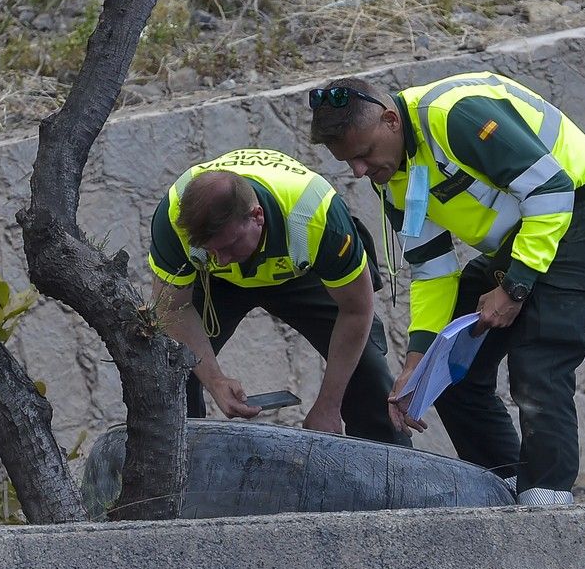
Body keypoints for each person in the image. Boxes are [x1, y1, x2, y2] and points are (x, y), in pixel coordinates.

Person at [308, 72, 585, 504]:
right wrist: (417, 363)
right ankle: (505, 487)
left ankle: (548, 501)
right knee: (446, 370)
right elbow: (432, 270)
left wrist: (514, 287)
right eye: (349, 163)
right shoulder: (394, 174)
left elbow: (552, 191)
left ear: (389, 120)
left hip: (581, 210)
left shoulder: (453, 116)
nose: (360, 171)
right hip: (523, 239)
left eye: (363, 154)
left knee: (539, 358)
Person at [147, 148, 409, 446]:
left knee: (367, 369)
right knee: (170, 365)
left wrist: (328, 405)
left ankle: (389, 473)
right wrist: (215, 381)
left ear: (256, 216)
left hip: (298, 271)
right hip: (214, 284)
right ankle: (178, 468)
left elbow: (356, 311)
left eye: (230, 245)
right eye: (211, 249)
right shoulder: (173, 217)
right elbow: (171, 310)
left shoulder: (317, 216)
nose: (222, 259)